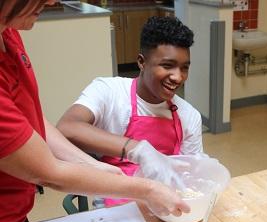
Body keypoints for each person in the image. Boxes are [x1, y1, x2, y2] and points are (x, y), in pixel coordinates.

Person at [0, 1, 189, 222]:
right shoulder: (109, 91)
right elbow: (49, 172)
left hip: (15, 211)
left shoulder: (8, 32)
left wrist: (91, 165)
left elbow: (31, 124)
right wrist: (147, 186)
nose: (51, 2)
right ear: (141, 62)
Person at [57, 16, 204, 207]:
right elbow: (67, 127)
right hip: (115, 202)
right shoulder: (109, 92)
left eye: (184, 68)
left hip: (165, 203)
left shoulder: (188, 115)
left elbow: (191, 175)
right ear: (142, 62)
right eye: (167, 66)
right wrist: (138, 150)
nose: (178, 77)